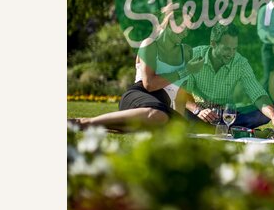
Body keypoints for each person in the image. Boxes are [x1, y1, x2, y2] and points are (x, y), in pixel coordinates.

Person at [71, 23, 203, 131]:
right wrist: (184, 72)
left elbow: (179, 95)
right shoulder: (150, 44)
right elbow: (149, 84)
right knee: (157, 115)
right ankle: (84, 122)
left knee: (174, 126)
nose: (186, 33)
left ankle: (105, 127)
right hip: (139, 97)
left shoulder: (185, 53)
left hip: (163, 107)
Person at [180, 23, 274, 131]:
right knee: (178, 110)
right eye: (226, 49)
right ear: (213, 44)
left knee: (261, 114)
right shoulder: (193, 56)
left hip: (226, 115)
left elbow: (258, 94)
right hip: (198, 112)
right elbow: (180, 93)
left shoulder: (240, 63)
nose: (231, 54)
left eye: (234, 49)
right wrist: (198, 110)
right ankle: (227, 128)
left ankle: (217, 127)